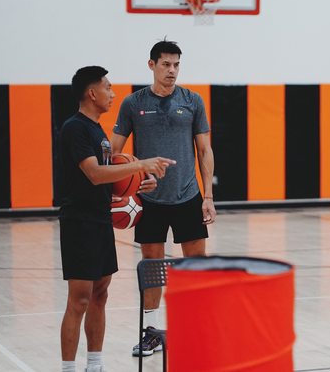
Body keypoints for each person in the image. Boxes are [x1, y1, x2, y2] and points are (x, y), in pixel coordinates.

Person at [59, 66, 175, 372]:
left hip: (101, 220)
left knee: (100, 294)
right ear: (91, 93)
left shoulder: (98, 131)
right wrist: (141, 164)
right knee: (79, 300)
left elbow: (111, 181)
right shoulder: (75, 128)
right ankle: (68, 368)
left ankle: (95, 364)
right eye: (108, 87)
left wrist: (139, 183)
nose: (112, 93)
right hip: (79, 222)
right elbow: (95, 174)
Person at [111, 40, 217, 357]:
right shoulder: (133, 104)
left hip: (188, 196)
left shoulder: (193, 101)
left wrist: (208, 195)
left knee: (195, 268)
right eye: (166, 64)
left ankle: (194, 331)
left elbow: (204, 150)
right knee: (152, 269)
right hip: (150, 200)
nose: (172, 70)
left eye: (176, 65)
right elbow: (114, 152)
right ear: (152, 65)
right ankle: (151, 334)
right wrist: (129, 185)